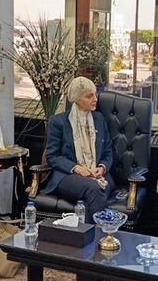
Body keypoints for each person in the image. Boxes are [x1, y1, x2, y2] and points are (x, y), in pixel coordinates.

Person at [41, 76, 113, 223]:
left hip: (99, 175)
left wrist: (102, 168)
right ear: (77, 99)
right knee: (94, 189)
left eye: (95, 94)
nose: (95, 99)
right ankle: (102, 233)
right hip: (68, 175)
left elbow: (108, 152)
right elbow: (52, 156)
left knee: (91, 198)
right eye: (89, 96)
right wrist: (77, 168)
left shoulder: (99, 119)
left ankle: (81, 233)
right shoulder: (58, 121)